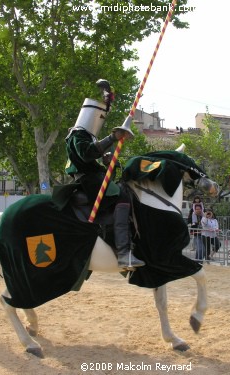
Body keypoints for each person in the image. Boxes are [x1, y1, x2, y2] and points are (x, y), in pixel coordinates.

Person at [65, 79, 144, 269]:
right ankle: (124, 252)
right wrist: (113, 138)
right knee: (123, 197)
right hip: (89, 181)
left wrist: (108, 162)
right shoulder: (77, 135)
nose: (101, 120)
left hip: (93, 177)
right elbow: (87, 153)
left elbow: (92, 155)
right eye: (101, 116)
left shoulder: (85, 136)